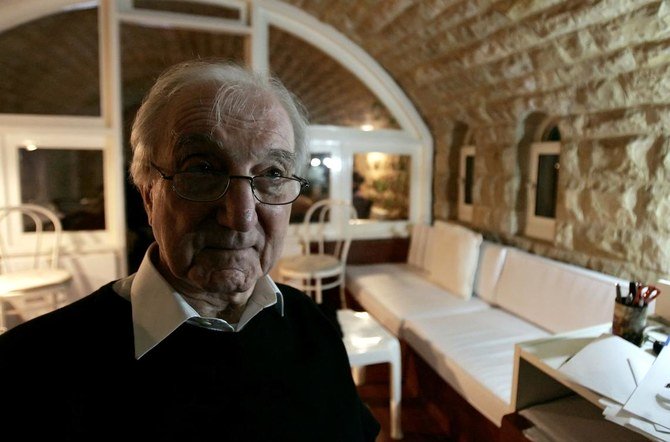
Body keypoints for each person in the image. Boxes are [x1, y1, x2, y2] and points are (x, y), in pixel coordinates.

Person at [0, 60, 380, 441]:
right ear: (149, 195)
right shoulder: (30, 368)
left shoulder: (312, 323)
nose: (241, 216)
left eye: (272, 174)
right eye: (201, 169)